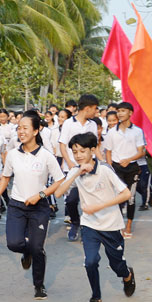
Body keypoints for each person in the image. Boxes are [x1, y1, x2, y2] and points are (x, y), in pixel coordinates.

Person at [54, 132, 136, 302]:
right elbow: (58, 193)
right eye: (75, 152)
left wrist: (99, 206)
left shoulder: (105, 170)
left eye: (82, 151)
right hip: (89, 225)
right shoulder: (76, 171)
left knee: (117, 265)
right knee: (90, 261)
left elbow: (126, 194)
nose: (78, 156)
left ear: (92, 150)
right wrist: (75, 174)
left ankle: (127, 275)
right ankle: (95, 298)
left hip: (111, 225)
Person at [0, 114, 64, 299]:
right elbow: (6, 177)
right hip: (17, 205)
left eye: (25, 128)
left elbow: (60, 180)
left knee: (37, 247)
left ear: (36, 130)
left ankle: (39, 285)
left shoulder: (46, 155)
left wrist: (40, 194)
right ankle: (26, 252)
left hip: (39, 207)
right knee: (13, 243)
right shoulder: (13, 154)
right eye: (19, 128)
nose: (21, 131)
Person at [59, 94, 99, 241]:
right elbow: (62, 145)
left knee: (90, 199)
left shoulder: (93, 125)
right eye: (94, 109)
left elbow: (95, 147)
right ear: (87, 108)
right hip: (72, 169)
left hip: (89, 168)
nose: (96, 112)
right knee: (71, 200)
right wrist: (70, 163)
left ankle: (89, 228)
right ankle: (75, 222)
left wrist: (100, 163)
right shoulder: (69, 123)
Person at [103, 102, 145, 238]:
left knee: (131, 198)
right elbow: (108, 151)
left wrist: (129, 159)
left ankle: (128, 226)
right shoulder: (111, 132)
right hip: (117, 168)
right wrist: (110, 168)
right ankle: (119, 225)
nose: (120, 113)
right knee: (119, 198)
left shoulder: (137, 131)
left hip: (132, 168)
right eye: (118, 111)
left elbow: (141, 152)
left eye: (123, 111)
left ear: (130, 113)